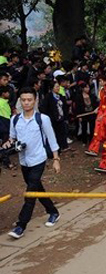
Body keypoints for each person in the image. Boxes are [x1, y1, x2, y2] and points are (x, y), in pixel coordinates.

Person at [3, 87, 61, 239]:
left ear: (35, 101)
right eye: (23, 100)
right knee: (37, 189)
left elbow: (52, 140)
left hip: (39, 159)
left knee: (30, 193)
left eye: (29, 100)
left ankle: (21, 225)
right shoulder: (15, 119)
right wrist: (9, 144)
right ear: (20, 101)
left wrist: (56, 160)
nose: (26, 103)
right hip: (24, 162)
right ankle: (53, 212)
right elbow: (12, 137)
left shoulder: (42, 119)